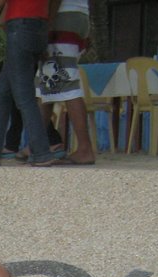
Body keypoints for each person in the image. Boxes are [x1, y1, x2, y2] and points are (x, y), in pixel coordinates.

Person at [0, 0, 61, 166]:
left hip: (20, 27)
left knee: (24, 97)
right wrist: (46, 26)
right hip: (38, 26)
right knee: (2, 94)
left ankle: (41, 152)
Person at [36, 0, 95, 165]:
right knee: (47, 81)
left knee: (66, 81)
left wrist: (48, 23)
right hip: (79, 15)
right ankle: (37, 144)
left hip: (62, 16)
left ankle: (84, 148)